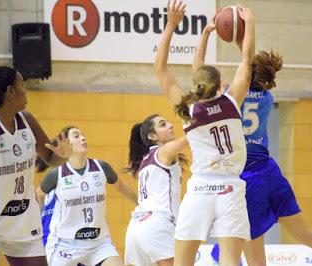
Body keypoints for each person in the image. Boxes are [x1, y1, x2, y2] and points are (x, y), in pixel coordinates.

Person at [192, 16, 312, 266]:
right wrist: (246, 34)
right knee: (307, 234)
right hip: (270, 171)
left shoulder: (231, 100)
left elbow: (206, 73)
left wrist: (207, 36)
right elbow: (250, 66)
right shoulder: (267, 97)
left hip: (247, 180)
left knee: (256, 258)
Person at [154, 1, 255, 265]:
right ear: (219, 86)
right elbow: (247, 61)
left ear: (198, 85)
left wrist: (172, 25)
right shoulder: (232, 102)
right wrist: (250, 24)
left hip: (200, 190)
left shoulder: (189, 110)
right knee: (231, 262)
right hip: (230, 189)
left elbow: (161, 69)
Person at [0, 66, 72, 266]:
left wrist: (63, 156)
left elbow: (50, 159)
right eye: (22, 84)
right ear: (10, 91)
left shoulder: (27, 120)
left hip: (24, 221)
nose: (26, 89)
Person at [35, 126, 137, 266]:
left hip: (99, 243)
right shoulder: (56, 175)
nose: (83, 138)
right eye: (76, 136)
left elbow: (119, 185)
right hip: (66, 245)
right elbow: (38, 195)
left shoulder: (101, 167)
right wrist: (34, 224)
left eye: (83, 135)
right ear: (66, 143)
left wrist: (140, 203)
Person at [124, 114, 188, 266]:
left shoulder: (145, 160)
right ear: (152, 136)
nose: (171, 125)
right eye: (163, 124)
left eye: (168, 122)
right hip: (157, 224)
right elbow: (192, 136)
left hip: (136, 226)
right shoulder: (164, 152)